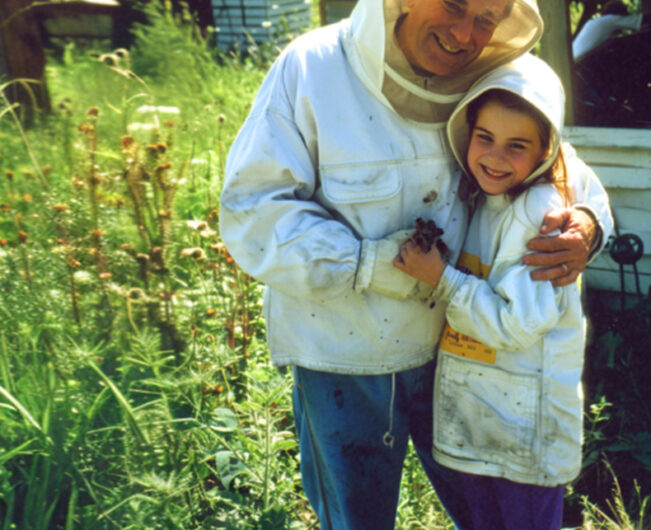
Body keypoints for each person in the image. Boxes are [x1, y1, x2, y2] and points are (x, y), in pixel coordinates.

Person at [219, 0, 613, 528]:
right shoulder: (311, 67)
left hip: (458, 355)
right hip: (343, 356)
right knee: (357, 519)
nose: (464, 32)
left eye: (486, 18)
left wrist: (589, 222)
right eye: (453, 4)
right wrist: (367, 263)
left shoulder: (494, 72)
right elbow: (254, 208)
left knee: (486, 517)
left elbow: (558, 163)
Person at [394, 57, 589, 530]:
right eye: (485, 138)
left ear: (546, 150)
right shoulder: (484, 200)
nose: (495, 157)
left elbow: (515, 323)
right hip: (488, 419)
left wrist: (441, 278)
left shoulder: (538, 213)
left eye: (516, 146)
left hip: (525, 425)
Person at [572, 0, 643, 61]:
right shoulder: (612, 19)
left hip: (572, 61)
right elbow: (641, 21)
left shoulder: (592, 22)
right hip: (581, 63)